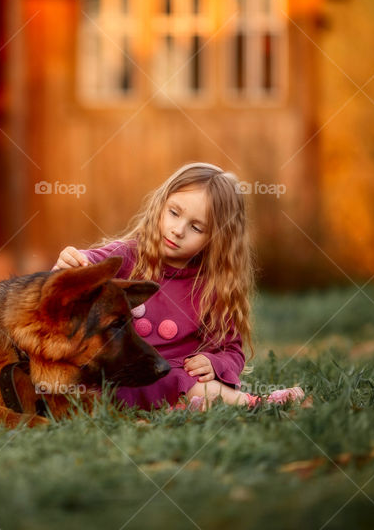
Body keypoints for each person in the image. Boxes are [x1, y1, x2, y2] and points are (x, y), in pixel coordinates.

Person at [52, 162, 304, 412]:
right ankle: (181, 406)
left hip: (174, 376)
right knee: (73, 384)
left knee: (202, 388)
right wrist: (71, 264)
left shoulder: (212, 285)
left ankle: (256, 403)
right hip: (114, 375)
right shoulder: (129, 255)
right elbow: (91, 263)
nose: (178, 230)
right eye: (174, 213)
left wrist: (212, 362)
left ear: (216, 239)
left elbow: (231, 348)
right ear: (161, 204)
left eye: (196, 227)